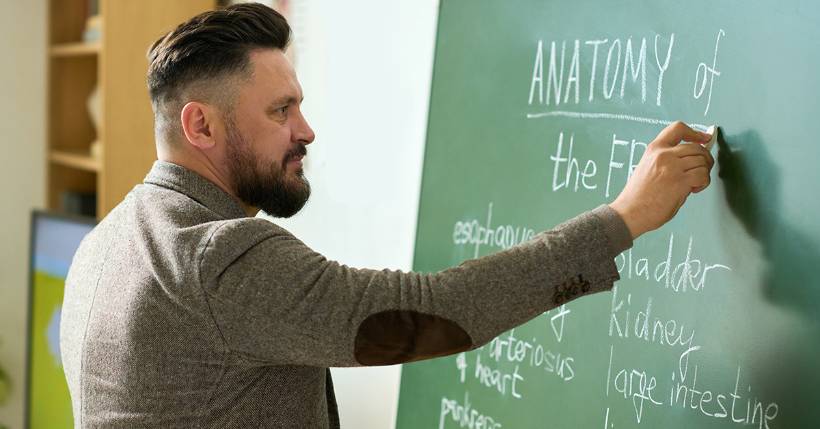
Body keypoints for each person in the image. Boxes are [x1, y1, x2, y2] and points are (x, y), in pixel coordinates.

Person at [60, 3, 714, 428]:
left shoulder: (107, 241)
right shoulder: (215, 258)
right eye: (280, 110)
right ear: (199, 124)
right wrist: (624, 218)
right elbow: (432, 311)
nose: (307, 130)